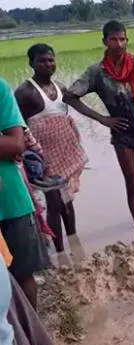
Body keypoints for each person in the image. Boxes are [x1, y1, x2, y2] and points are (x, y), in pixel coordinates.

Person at [63, 20, 134, 238]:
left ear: (127, 40)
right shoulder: (97, 72)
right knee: (132, 182)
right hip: (122, 133)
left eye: (122, 39)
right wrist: (102, 118)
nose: (119, 44)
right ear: (105, 41)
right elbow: (70, 96)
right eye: (113, 39)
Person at [14, 44, 88, 257]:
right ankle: (60, 252)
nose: (47, 64)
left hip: (64, 150)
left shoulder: (61, 88)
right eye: (42, 61)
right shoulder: (25, 92)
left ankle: (75, 244)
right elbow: (18, 125)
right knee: (54, 203)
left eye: (50, 60)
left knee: (68, 200)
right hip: (42, 154)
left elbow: (68, 114)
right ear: (32, 64)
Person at [0, 76, 51, 309]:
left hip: (10, 202)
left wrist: (8, 145)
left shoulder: (0, 88)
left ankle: (31, 340)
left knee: (23, 275)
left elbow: (16, 144)